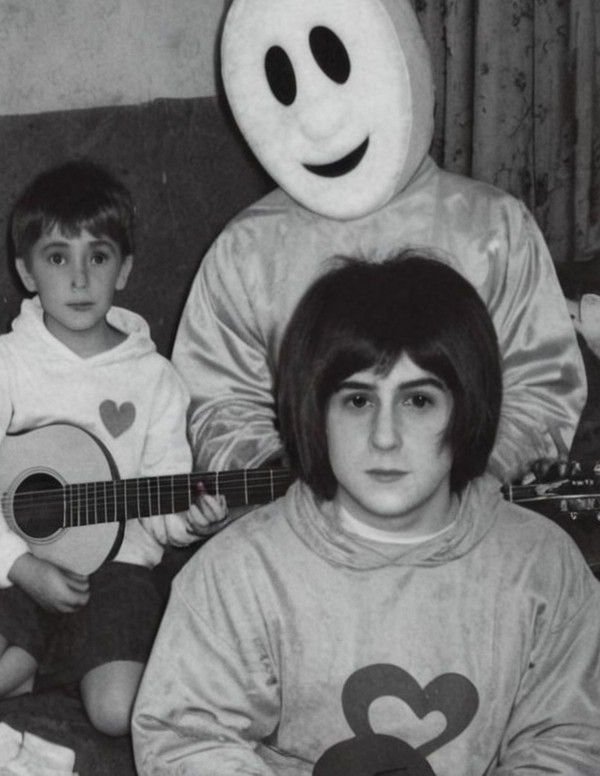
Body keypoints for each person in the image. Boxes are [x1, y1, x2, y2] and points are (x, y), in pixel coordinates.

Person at [133, 253, 600, 775]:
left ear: (468, 409)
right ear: (316, 412)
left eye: (418, 401)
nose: (384, 436)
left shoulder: (544, 570)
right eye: (357, 401)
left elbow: (568, 742)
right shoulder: (239, 573)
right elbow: (186, 739)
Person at [173, 0, 584, 484]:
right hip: (308, 540)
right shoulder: (245, 250)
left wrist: (470, 490)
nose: (319, 117)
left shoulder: (494, 227)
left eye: (335, 62)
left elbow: (538, 387)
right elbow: (219, 404)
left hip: (471, 529)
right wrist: (297, 495)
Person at [0, 160, 226, 737]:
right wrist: (19, 566)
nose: (79, 279)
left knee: (119, 715)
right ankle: (59, 664)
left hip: (117, 574)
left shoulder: (155, 378)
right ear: (26, 272)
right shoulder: (1, 366)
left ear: (126, 268)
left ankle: (80, 665)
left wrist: (191, 518)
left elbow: (165, 495)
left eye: (99, 257)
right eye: (58, 258)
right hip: (14, 562)